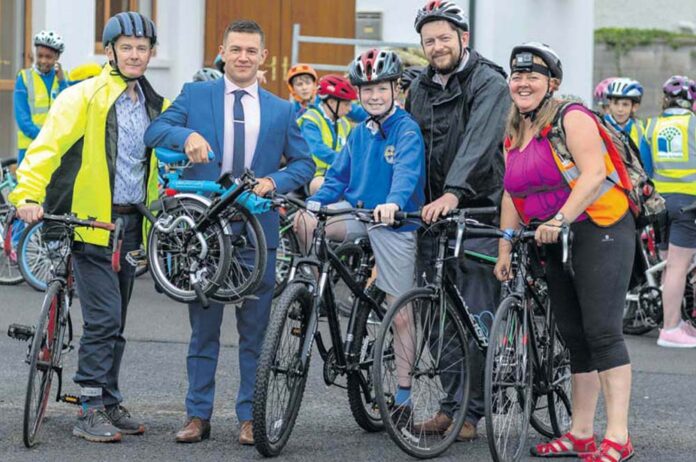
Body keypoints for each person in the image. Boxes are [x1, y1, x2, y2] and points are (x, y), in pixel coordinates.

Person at [143, 19, 314, 446]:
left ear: (263, 59)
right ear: (222, 51)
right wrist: (187, 136)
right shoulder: (196, 95)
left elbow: (304, 164)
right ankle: (197, 415)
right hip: (205, 235)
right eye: (235, 49)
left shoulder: (281, 109)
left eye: (250, 51)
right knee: (204, 330)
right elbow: (154, 131)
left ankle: (249, 417)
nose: (242, 57)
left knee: (255, 332)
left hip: (259, 231)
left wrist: (275, 182)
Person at [10, 11, 166, 443]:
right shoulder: (84, 95)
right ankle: (90, 406)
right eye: (127, 47)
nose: (135, 55)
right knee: (103, 317)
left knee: (117, 320)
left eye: (143, 48)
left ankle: (110, 400)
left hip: (132, 225)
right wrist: (27, 195)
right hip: (91, 221)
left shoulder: (154, 103)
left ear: (151, 53)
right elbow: (46, 148)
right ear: (110, 50)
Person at [495, 42, 635, 462]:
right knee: (574, 337)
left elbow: (593, 175)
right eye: (517, 76)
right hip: (551, 237)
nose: (523, 83)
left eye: (532, 77)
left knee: (602, 331)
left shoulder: (571, 117)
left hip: (601, 227)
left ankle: (618, 436)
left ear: (551, 84)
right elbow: (511, 193)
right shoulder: (513, 131)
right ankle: (579, 434)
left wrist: (559, 219)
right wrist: (504, 247)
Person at [296, 50, 424, 425]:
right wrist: (317, 201)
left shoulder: (406, 129)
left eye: (381, 88)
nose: (373, 96)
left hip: (392, 221)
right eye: (366, 90)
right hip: (358, 215)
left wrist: (394, 203)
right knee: (305, 220)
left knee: (401, 314)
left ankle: (403, 394)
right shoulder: (358, 131)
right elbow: (337, 177)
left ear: (395, 89)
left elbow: (407, 172)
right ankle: (310, 290)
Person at [405, 0, 510, 441]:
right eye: (429, 40)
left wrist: (454, 191)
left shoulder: (489, 81)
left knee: (473, 311)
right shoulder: (419, 87)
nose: (437, 46)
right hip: (431, 213)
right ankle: (452, 405)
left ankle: (473, 411)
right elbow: (408, 144)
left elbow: (479, 142)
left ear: (463, 38)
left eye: (445, 37)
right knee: (435, 312)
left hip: (478, 210)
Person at [644, 75, 696, 347]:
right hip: (689, 203)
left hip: (659, 204)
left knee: (668, 264)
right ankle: (670, 328)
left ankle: (674, 320)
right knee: (679, 266)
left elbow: (644, 168)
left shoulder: (650, 126)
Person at [14, 30, 68, 165]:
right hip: (29, 148)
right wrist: (45, 137)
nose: (43, 61)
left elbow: (69, 109)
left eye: (48, 57)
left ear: (57, 57)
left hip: (55, 149)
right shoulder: (24, 78)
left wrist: (62, 82)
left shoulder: (63, 77)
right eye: (40, 56)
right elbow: (22, 119)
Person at [298, 74, 357, 195]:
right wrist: (345, 162)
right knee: (324, 187)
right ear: (331, 102)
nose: (350, 109)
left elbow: (352, 151)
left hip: (334, 175)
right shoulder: (310, 120)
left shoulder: (344, 124)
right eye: (346, 104)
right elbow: (318, 149)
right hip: (309, 177)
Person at [604, 78, 651, 167]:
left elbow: (646, 163)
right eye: (616, 103)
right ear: (609, 104)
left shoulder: (641, 129)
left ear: (634, 107)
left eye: (625, 104)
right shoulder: (600, 125)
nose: (620, 109)